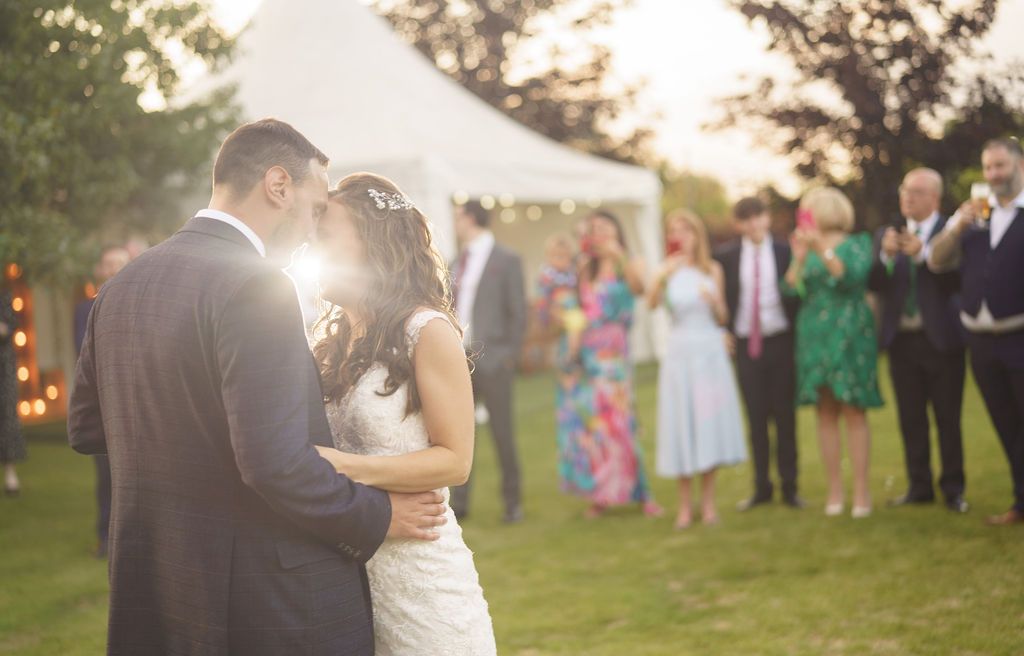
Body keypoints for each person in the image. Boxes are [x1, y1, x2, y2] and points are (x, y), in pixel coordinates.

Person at [68, 119, 445, 655]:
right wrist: (379, 516)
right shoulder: (257, 285)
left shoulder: (122, 284)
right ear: (277, 185)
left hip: (157, 578)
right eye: (316, 209)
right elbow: (275, 463)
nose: (315, 228)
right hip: (264, 599)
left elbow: (87, 428)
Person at [311, 173, 496, 654]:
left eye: (326, 233)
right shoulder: (328, 343)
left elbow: (455, 461)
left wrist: (344, 467)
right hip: (346, 582)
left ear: (374, 242)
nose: (313, 244)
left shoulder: (426, 331)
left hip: (423, 585)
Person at [929, 137, 1024, 526]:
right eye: (988, 168)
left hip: (1019, 336)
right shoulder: (973, 219)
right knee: (1005, 424)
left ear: (1019, 165)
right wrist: (955, 226)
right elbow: (935, 262)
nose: (993, 174)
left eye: (1000, 165)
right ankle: (1021, 502)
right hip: (981, 342)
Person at [868, 168, 968, 513]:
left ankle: (953, 488)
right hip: (902, 342)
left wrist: (923, 255)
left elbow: (956, 283)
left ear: (935, 198)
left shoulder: (951, 231)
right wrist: (884, 255)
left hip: (942, 341)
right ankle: (919, 486)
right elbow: (875, 283)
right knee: (911, 419)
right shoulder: (887, 234)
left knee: (947, 419)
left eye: (917, 191)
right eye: (904, 190)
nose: (908, 197)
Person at [784, 187, 882, 518]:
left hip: (849, 333)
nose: (804, 218)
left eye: (808, 211)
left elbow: (849, 279)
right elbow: (790, 288)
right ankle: (835, 490)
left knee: (853, 411)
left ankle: (861, 492)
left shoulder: (857, 244)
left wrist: (821, 250)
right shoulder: (804, 249)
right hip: (814, 335)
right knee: (824, 412)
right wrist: (798, 259)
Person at [649, 210, 746, 528]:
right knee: (681, 424)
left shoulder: (712, 269)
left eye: (685, 229)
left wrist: (716, 302)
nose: (681, 235)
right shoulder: (666, 270)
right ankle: (683, 506)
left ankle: (707, 504)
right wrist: (664, 275)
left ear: (696, 234)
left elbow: (722, 317)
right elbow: (651, 304)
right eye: (674, 230)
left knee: (706, 423)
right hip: (679, 353)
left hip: (708, 353)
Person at [564, 210, 661, 518]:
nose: (600, 232)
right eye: (594, 229)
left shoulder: (631, 262)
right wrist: (574, 342)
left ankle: (642, 493)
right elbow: (577, 309)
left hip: (615, 354)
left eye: (605, 227)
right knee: (595, 425)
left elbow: (640, 289)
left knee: (622, 421)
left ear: (617, 230)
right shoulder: (584, 268)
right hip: (589, 355)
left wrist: (618, 255)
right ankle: (602, 494)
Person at [715, 197, 803, 511]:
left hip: (780, 341)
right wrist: (721, 332)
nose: (753, 224)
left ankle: (790, 487)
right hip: (745, 345)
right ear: (738, 223)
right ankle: (761, 486)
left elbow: (797, 293)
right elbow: (719, 299)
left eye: (758, 217)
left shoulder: (785, 252)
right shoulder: (725, 257)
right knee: (755, 418)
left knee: (785, 416)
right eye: (746, 219)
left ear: (767, 219)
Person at [449, 200, 527, 523]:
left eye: (457, 217)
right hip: (459, 359)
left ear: (470, 218)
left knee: (502, 433)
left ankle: (513, 502)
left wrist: (508, 355)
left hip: (494, 359)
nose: (454, 223)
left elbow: (518, 312)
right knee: (459, 435)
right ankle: (460, 504)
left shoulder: (506, 259)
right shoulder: (456, 261)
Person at [74, 245, 131, 557]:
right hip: (103, 403)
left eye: (119, 264)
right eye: (108, 264)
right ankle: (105, 537)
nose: (113, 270)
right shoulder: (85, 309)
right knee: (106, 476)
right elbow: (82, 354)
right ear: (100, 270)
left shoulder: (139, 307)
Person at [0, 286, 25, 497]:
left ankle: (10, 475)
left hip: (3, 368)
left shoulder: (4, 295)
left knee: (6, 418)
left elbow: (10, 326)